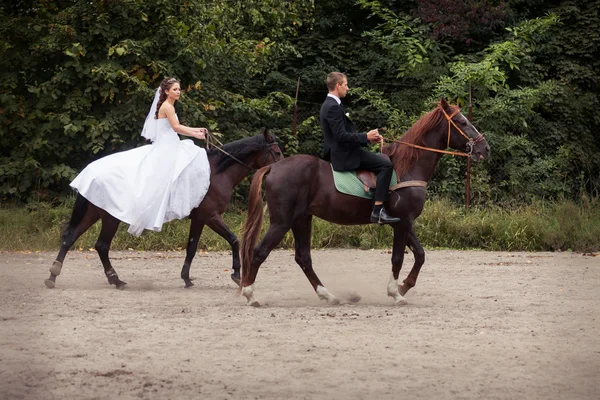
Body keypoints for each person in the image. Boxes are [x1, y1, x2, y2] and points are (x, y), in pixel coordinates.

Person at [70, 77, 211, 236]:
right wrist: (196, 134)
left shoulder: (169, 106)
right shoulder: (167, 107)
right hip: (167, 148)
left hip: (172, 144)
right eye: (174, 89)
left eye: (179, 89)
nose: (178, 92)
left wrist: (197, 130)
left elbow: (175, 128)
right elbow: (176, 127)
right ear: (166, 91)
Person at [319, 72, 400, 224]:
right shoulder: (332, 107)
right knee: (385, 165)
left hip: (345, 150)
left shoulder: (331, 104)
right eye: (345, 85)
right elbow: (341, 136)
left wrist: (368, 140)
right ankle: (378, 210)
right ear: (338, 86)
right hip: (343, 154)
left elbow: (345, 134)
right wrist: (365, 137)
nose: (347, 88)